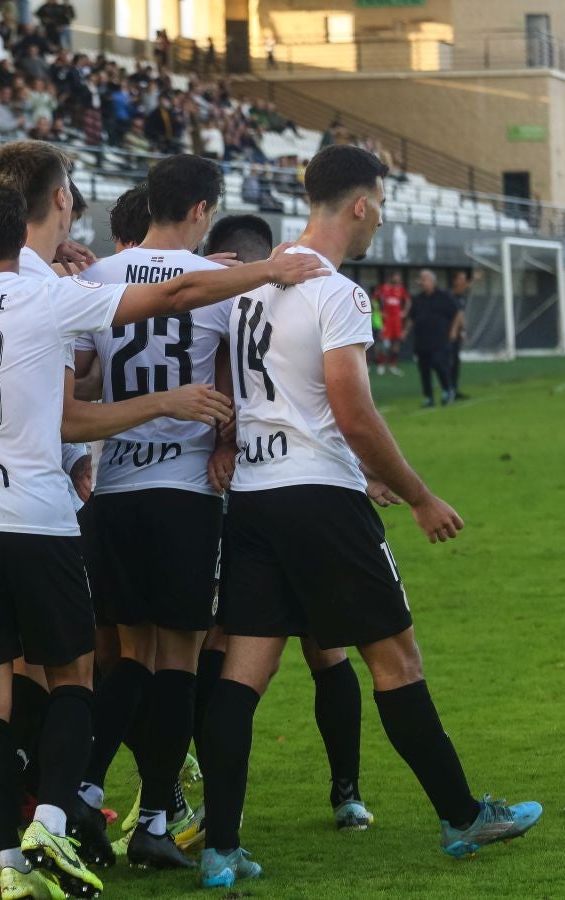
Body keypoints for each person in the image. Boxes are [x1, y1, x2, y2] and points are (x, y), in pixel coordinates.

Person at [0, 175, 324, 900]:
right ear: (199, 210)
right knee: (115, 666)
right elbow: (174, 299)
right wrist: (267, 268)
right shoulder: (51, 295)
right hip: (71, 511)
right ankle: (104, 810)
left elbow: (64, 366)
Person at [198, 145, 541, 889]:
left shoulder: (255, 284)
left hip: (255, 501)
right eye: (380, 202)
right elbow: (351, 412)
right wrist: (418, 494)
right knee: (397, 662)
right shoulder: (335, 293)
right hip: (319, 501)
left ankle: (220, 847)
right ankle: (461, 815)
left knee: (241, 677)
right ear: (360, 205)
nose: (381, 214)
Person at [68, 156, 235, 870]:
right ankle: (156, 819)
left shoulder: (96, 280)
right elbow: (239, 388)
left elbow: (74, 380)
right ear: (200, 210)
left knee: (126, 656)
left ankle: (77, 788)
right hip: (183, 492)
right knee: (177, 660)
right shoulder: (222, 287)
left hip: (112, 493)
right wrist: (226, 439)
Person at [196, 212, 378, 837]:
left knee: (247, 659)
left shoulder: (237, 298)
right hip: (301, 491)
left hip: (256, 493)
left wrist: (225, 440)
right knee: (323, 651)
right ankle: (344, 794)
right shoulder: (296, 295)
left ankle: (217, 825)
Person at [409, 270, 458, 408]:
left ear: (432, 281)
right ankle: (428, 397)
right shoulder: (418, 299)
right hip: (422, 341)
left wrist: (454, 331)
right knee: (424, 370)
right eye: (420, 279)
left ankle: (447, 389)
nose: (421, 282)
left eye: (424, 279)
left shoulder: (444, 297)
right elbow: (412, 318)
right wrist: (405, 331)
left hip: (439, 340)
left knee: (439, 364)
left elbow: (456, 313)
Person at [375, 271, 408, 376]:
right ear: (392, 277)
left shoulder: (401, 289)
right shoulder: (384, 288)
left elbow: (408, 301)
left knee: (396, 343)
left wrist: (404, 312)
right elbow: (374, 299)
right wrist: (379, 311)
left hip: (397, 320)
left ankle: (393, 365)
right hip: (387, 320)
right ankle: (381, 364)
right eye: (396, 277)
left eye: (399, 278)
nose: (398, 279)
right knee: (384, 343)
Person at [447, 270, 473, 399]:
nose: (464, 282)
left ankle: (454, 389)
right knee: (448, 362)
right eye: (461, 278)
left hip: (456, 335)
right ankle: (448, 390)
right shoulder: (450, 295)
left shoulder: (461, 296)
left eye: (465, 279)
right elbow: (458, 314)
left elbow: (461, 315)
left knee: (455, 362)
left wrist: (462, 330)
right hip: (447, 335)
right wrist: (474, 280)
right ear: (455, 281)